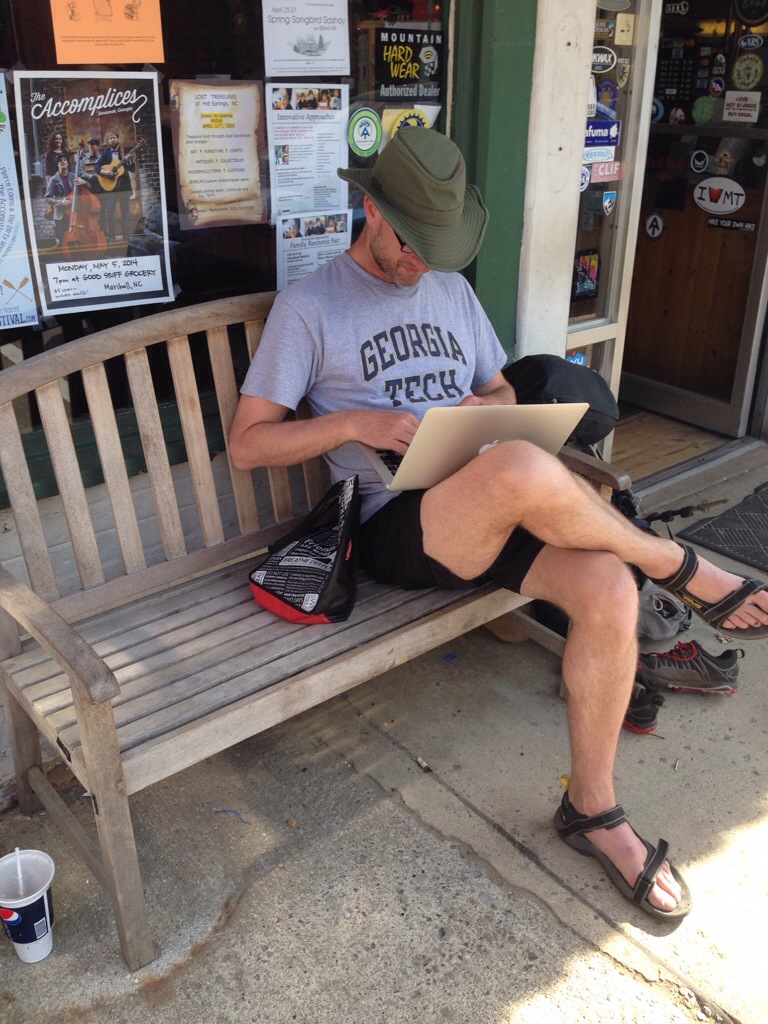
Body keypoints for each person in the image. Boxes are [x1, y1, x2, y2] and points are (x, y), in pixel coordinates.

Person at [229, 127, 768, 920]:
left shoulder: (449, 289)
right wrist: (354, 427)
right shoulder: (310, 308)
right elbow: (248, 445)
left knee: (611, 594)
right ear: (369, 208)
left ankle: (592, 808)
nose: (422, 263)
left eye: (438, 246)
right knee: (522, 474)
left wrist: (488, 408)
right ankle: (677, 563)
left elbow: (502, 389)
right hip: (396, 525)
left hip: (490, 501)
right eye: (413, 243)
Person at [93, 130, 136, 245]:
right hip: (110, 189)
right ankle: (111, 237)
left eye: (114, 137)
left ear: (117, 139)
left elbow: (132, 169)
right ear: (108, 141)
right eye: (110, 138)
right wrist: (106, 173)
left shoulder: (125, 151)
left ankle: (126, 238)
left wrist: (129, 161)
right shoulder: (105, 153)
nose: (112, 139)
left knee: (125, 214)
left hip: (124, 188)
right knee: (110, 213)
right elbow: (96, 167)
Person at [43, 153, 90, 246]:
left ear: (68, 163)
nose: (63, 161)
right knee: (63, 242)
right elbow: (48, 198)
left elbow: (89, 186)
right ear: (57, 165)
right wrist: (61, 202)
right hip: (61, 215)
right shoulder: (53, 179)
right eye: (60, 161)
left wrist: (84, 182)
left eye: (64, 160)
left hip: (75, 213)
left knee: (77, 240)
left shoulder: (73, 176)